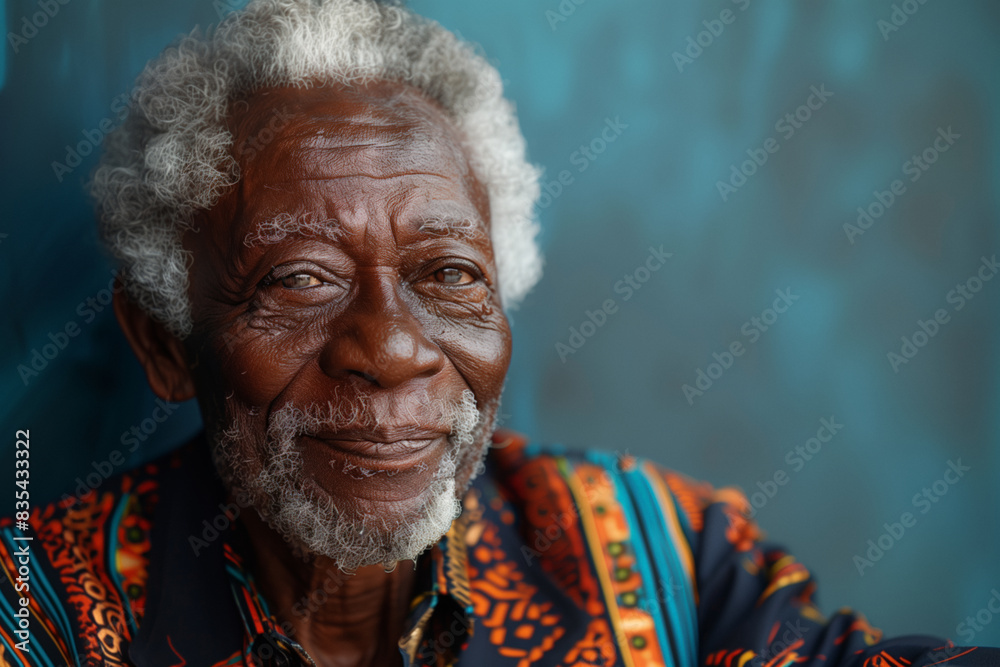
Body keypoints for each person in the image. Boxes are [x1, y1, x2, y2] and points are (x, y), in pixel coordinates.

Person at [0, 1, 995, 665]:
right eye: (300, 279)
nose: (391, 348)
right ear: (166, 342)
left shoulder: (662, 553)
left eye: (447, 274)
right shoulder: (32, 616)